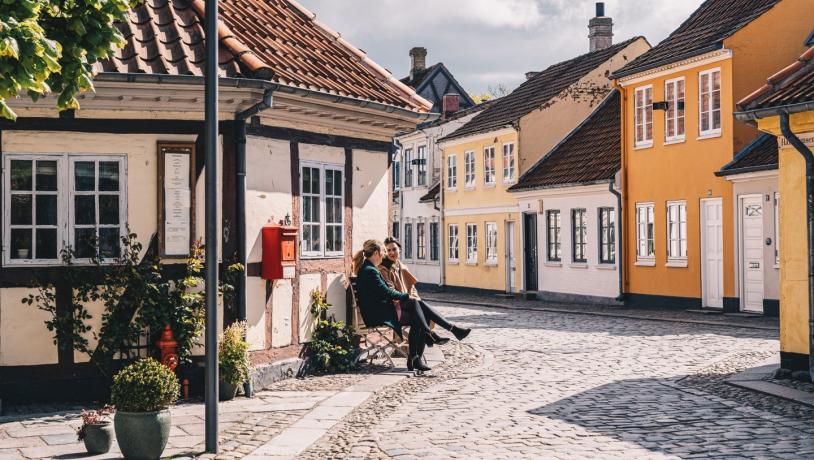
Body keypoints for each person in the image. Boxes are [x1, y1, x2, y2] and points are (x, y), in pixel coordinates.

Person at [352, 239, 447, 372]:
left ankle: (418, 352)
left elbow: (383, 292)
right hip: (377, 315)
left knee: (418, 311)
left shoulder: (368, 268)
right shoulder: (370, 271)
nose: (385, 254)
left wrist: (406, 297)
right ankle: (419, 351)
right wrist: (406, 296)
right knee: (416, 311)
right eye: (384, 251)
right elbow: (386, 292)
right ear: (375, 253)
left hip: (379, 310)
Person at [379, 237, 472, 353]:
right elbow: (390, 291)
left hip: (407, 304)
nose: (391, 252)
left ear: (400, 250)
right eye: (388, 250)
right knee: (419, 315)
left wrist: (414, 299)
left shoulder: (401, 267)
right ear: (384, 252)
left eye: (394, 249)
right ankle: (446, 331)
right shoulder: (384, 268)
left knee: (423, 313)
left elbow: (412, 289)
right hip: (395, 306)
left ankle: (418, 357)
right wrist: (411, 299)